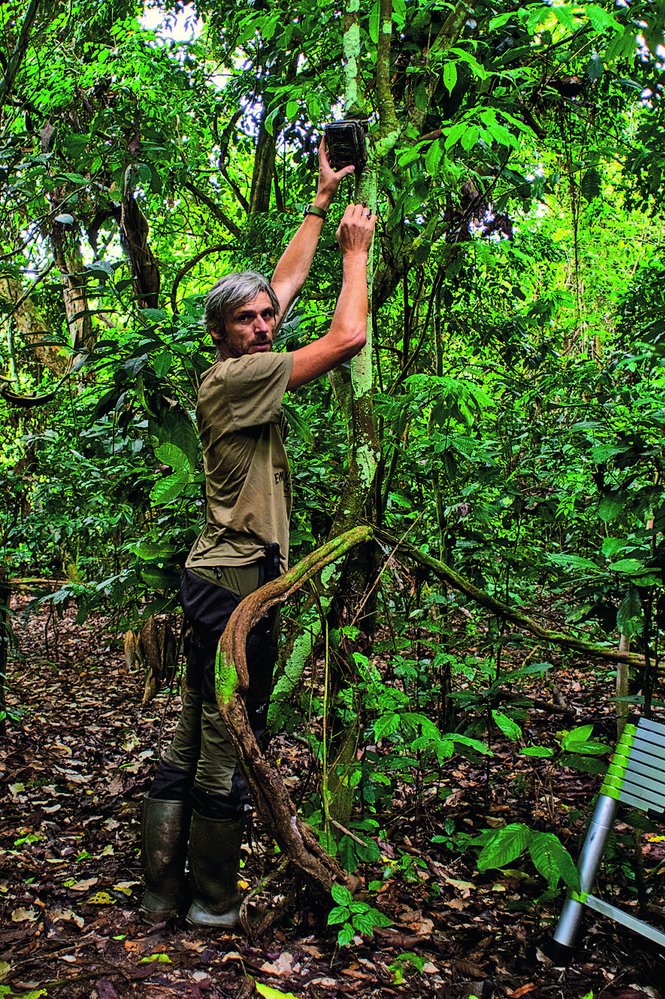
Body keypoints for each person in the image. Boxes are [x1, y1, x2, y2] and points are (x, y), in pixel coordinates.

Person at [140, 140, 376, 929]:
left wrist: (317, 201)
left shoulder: (245, 353)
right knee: (224, 739)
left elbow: (282, 282)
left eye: (266, 317)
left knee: (190, 729)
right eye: (246, 319)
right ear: (222, 335)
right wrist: (357, 252)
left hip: (213, 574)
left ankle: (159, 889)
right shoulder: (240, 376)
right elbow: (346, 339)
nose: (264, 323)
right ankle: (210, 899)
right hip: (238, 582)